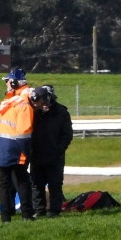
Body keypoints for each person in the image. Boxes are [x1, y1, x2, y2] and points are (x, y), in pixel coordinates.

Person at [0, 68, 35, 222]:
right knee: (21, 181)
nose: (6, 84)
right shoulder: (22, 105)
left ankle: (5, 216)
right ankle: (26, 215)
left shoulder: (8, 104)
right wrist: (26, 151)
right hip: (15, 147)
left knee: (4, 182)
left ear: (14, 83)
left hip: (2, 147)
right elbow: (24, 133)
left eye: (7, 81)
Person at [29, 85, 73, 218]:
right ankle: (39, 210)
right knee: (37, 184)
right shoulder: (33, 111)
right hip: (37, 154)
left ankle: (55, 210)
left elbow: (67, 134)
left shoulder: (61, 112)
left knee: (55, 184)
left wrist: (59, 149)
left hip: (55, 155)